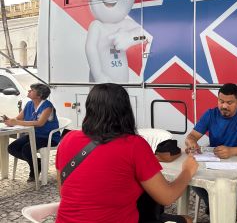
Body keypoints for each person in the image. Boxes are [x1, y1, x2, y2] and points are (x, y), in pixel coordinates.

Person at [55, 83, 198, 223]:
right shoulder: (134, 145)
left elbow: (63, 192)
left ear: (89, 108)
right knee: (187, 220)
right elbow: (167, 196)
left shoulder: (67, 139)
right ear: (125, 110)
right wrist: (188, 170)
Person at [185, 83, 237, 213]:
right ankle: (215, 206)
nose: (224, 106)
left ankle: (218, 208)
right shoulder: (210, 114)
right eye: (221, 101)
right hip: (214, 166)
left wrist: (232, 151)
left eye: (230, 102)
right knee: (193, 177)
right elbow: (191, 136)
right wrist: (192, 143)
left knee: (227, 190)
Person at [6, 83, 60, 182]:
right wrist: (10, 121)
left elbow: (40, 123)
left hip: (48, 137)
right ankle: (37, 163)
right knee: (11, 148)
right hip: (33, 135)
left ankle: (33, 170)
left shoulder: (47, 106)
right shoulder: (29, 104)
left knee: (27, 149)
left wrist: (17, 122)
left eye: (32, 90)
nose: (29, 91)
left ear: (39, 95)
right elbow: (18, 118)